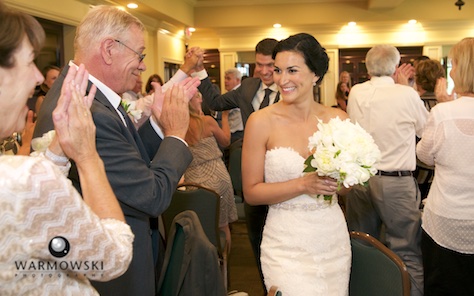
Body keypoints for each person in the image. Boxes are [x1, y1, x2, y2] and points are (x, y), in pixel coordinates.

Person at [33, 5, 199, 295]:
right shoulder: (84, 108)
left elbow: (126, 164)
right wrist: (175, 134)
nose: (143, 66)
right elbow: (151, 195)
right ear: (109, 49)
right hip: (111, 274)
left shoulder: (90, 97)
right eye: (140, 54)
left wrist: (158, 127)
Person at [0, 4, 133, 294]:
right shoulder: (22, 179)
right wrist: (87, 157)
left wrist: (60, 144)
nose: (38, 78)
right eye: (29, 62)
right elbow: (113, 257)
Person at [242, 33, 351, 295]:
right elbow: (252, 192)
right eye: (278, 70)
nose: (282, 79)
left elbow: (346, 188)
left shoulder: (338, 118)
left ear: (315, 74)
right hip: (285, 243)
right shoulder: (260, 121)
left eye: (292, 70)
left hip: (332, 238)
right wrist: (303, 184)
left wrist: (341, 183)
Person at [185, 38, 280, 292]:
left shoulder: (291, 87)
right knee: (257, 241)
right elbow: (216, 102)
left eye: (270, 65)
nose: (264, 71)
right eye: (259, 65)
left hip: (284, 178)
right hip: (254, 179)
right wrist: (201, 70)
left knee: (283, 244)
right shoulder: (248, 86)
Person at [346, 44, 429, 296]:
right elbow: (427, 132)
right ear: (396, 66)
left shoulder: (356, 92)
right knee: (407, 250)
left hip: (360, 180)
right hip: (395, 181)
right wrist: (408, 88)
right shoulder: (406, 94)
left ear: (369, 67)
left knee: (361, 246)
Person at [416, 37, 474, 296]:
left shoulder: (443, 113)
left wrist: (443, 106)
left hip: (445, 219)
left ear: (460, 69)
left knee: (443, 286)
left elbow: (425, 157)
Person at [183, 91, 238, 251]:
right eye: (198, 96)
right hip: (218, 176)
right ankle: (224, 267)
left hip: (192, 180)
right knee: (222, 227)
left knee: (198, 227)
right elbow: (226, 141)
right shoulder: (207, 121)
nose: (201, 98)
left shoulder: (180, 126)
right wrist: (226, 118)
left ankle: (202, 262)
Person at [413, 59, 445, 200]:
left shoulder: (415, 104)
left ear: (418, 80)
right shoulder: (446, 105)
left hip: (419, 171)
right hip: (442, 171)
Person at [223, 68, 244, 144]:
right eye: (225, 78)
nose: (225, 81)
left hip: (236, 134)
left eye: (228, 79)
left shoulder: (236, 95)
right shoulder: (233, 94)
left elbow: (224, 113)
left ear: (238, 80)